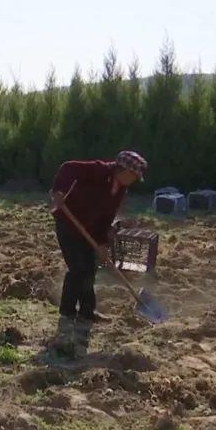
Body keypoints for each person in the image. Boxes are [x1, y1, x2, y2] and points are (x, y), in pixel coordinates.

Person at [49, 150, 147, 351]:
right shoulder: (98, 170)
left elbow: (107, 218)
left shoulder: (120, 189)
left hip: (90, 230)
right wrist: (59, 190)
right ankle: (67, 314)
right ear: (124, 170)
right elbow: (68, 167)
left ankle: (86, 312)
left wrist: (102, 243)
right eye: (134, 176)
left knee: (90, 269)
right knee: (78, 269)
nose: (135, 180)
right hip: (68, 223)